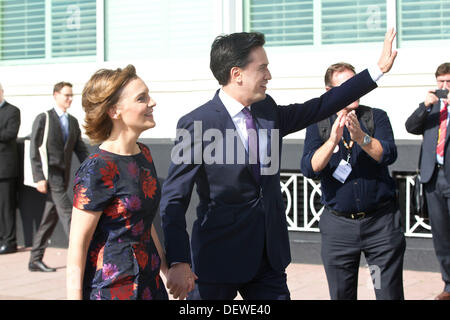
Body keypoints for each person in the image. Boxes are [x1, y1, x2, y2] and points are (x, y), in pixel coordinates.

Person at [159, 29, 398, 300]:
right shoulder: (197, 123)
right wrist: (178, 260)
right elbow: (174, 198)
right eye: (262, 69)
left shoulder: (267, 110)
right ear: (237, 74)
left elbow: (320, 106)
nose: (269, 76)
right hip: (216, 260)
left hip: (268, 259)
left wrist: (376, 71)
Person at [300, 62, 405, 300]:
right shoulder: (319, 124)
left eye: (357, 84)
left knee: (385, 291)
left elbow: (387, 154)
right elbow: (310, 168)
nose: (356, 90)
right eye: (348, 86)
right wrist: (332, 141)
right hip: (339, 230)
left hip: (380, 227)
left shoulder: (375, 117)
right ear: (330, 93)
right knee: (342, 294)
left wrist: (361, 137)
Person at [66, 65, 169, 300]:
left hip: (151, 285)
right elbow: (77, 246)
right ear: (115, 111)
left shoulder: (144, 154)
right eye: (142, 98)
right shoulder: (97, 168)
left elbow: (144, 222)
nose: (152, 102)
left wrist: (166, 269)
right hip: (113, 289)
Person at [29, 81, 89, 272]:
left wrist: (93, 166)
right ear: (56, 95)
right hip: (50, 175)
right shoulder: (44, 118)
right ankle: (81, 260)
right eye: (66, 95)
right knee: (68, 215)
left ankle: (34, 259)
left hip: (63, 177)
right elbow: (34, 150)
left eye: (72, 95)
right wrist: (38, 176)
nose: (70, 99)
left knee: (49, 219)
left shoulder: (72, 122)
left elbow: (80, 149)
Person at [405, 62, 450, 300]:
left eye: (448, 82)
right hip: (433, 177)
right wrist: (425, 105)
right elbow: (411, 126)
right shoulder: (432, 108)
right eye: (440, 82)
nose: (444, 87)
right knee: (441, 236)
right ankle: (449, 285)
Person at [0, 82, 21, 255]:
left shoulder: (12, 111)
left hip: (5, 169)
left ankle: (9, 241)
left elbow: (9, 134)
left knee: (6, 207)